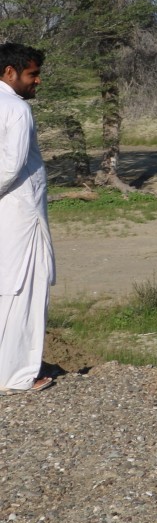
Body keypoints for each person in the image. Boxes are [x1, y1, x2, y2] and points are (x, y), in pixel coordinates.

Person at [0, 43, 54, 394]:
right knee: (22, 288)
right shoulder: (16, 108)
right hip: (20, 211)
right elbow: (10, 165)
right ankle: (16, 375)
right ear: (10, 73)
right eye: (32, 74)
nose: (37, 82)